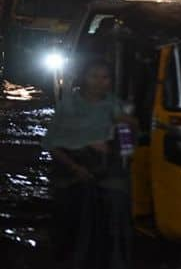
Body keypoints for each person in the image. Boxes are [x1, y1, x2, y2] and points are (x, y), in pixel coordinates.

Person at [42, 59, 135, 269]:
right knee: (73, 204)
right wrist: (77, 166)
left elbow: (127, 144)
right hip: (70, 165)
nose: (99, 82)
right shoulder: (69, 104)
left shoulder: (116, 105)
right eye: (94, 76)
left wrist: (119, 150)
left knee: (118, 200)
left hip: (105, 167)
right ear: (84, 78)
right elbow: (52, 144)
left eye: (105, 77)